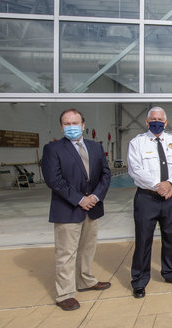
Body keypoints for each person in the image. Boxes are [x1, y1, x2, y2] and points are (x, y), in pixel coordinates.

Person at [42, 108, 112, 311]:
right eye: (66, 123)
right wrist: (80, 199)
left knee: (87, 249)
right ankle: (65, 293)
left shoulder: (96, 148)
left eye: (75, 123)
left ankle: (86, 280)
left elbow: (106, 175)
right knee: (66, 254)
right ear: (61, 126)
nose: (71, 127)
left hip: (93, 207)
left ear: (83, 125)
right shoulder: (52, 149)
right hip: (68, 208)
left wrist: (95, 197)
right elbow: (54, 180)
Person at [127, 106, 172, 298]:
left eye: (160, 119)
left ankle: (171, 273)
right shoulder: (137, 143)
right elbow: (135, 169)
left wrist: (169, 184)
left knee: (171, 238)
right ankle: (139, 280)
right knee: (143, 240)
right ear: (146, 121)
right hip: (147, 198)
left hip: (170, 197)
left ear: (166, 122)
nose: (157, 122)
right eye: (153, 119)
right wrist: (158, 186)